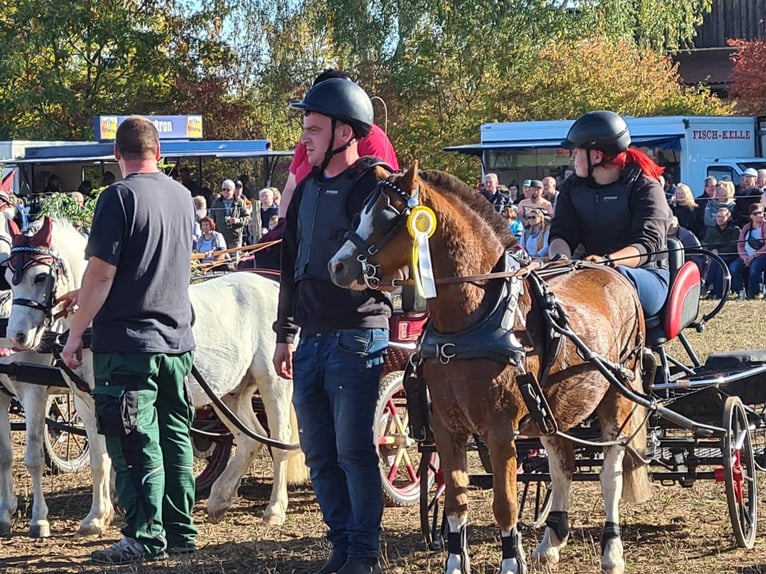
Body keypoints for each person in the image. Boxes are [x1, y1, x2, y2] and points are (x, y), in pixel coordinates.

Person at [60, 115, 197, 564]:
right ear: (160, 154)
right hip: (177, 340)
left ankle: (143, 535)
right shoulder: (180, 197)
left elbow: (102, 273)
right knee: (175, 435)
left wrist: (75, 331)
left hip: (128, 344)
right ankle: (179, 531)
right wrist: (84, 293)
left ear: (117, 155)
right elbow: (151, 264)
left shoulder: (117, 197)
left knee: (133, 441)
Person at [272, 78, 391, 574]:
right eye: (305, 129)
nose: (306, 139)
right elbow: (290, 263)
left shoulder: (375, 183)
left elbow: (392, 263)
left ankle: (364, 555)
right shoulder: (306, 191)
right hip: (312, 339)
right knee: (320, 455)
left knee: (354, 452)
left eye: (314, 129)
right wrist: (284, 332)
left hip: (357, 334)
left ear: (346, 132)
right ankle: (341, 546)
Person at [549, 110, 672, 317]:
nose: (573, 158)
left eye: (576, 152)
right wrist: (560, 261)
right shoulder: (571, 187)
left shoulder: (646, 188)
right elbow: (561, 232)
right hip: (587, 271)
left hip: (643, 274)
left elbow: (646, 246)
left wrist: (607, 262)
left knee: (611, 281)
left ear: (596, 155)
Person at [277, 69, 399, 221]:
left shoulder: (371, 137)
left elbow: (383, 198)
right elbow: (290, 189)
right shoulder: (311, 144)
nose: (304, 139)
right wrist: (283, 226)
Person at [730, 202, 766, 300]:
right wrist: (744, 257)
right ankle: (740, 292)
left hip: (761, 255)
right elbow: (740, 245)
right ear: (750, 216)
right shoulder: (746, 228)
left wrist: (753, 256)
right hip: (746, 256)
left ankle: (755, 293)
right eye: (755, 213)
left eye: (761, 212)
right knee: (734, 267)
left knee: (755, 267)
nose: (759, 215)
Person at [703, 207, 741, 299]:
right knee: (717, 265)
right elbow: (708, 243)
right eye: (718, 217)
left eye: (722, 217)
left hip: (731, 256)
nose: (719, 219)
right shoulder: (711, 230)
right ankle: (714, 291)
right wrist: (713, 250)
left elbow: (733, 246)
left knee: (719, 265)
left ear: (728, 218)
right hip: (716, 256)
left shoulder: (735, 230)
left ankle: (710, 288)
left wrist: (719, 251)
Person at [210, 179, 251, 251]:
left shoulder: (239, 202)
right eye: (223, 189)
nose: (225, 192)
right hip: (219, 237)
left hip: (234, 238)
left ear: (233, 190)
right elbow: (211, 218)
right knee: (221, 260)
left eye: (228, 190)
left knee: (234, 260)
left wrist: (238, 220)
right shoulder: (216, 202)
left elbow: (247, 217)